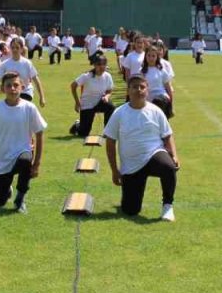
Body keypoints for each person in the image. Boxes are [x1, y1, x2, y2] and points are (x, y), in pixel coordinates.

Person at [104, 74, 179, 221]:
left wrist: (174, 155)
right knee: (130, 211)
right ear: (128, 91)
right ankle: (130, 196)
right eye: (134, 87)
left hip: (153, 154)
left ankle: (167, 206)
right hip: (131, 165)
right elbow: (110, 142)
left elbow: (167, 135)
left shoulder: (156, 111)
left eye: (142, 87)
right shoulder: (119, 113)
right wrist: (114, 170)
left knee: (168, 167)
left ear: (147, 90)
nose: (138, 90)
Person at [0, 73, 47, 213]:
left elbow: (40, 133)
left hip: (22, 152)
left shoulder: (29, 108)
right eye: (9, 85)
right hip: (2, 157)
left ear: (22, 87)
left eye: (16, 85)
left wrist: (36, 164)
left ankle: (20, 199)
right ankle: (7, 189)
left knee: (25, 160)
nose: (12, 88)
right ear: (2, 88)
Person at [70, 52, 115, 139]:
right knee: (83, 133)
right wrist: (77, 102)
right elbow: (73, 86)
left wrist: (106, 96)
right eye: (99, 64)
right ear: (94, 65)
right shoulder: (87, 76)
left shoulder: (107, 76)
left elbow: (109, 90)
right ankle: (77, 125)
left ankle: (107, 132)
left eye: (104, 64)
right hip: (87, 105)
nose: (101, 67)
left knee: (111, 106)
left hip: (100, 103)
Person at [0, 38, 46, 106]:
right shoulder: (5, 64)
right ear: (10, 48)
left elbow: (36, 80)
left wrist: (42, 97)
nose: (15, 50)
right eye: (13, 47)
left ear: (21, 49)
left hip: (26, 92)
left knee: (19, 106)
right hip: (12, 92)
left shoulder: (27, 63)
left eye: (17, 47)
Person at [140, 45, 175, 118]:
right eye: (149, 56)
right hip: (148, 100)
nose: (151, 58)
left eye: (153, 56)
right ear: (145, 57)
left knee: (158, 103)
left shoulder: (161, 71)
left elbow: (168, 88)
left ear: (157, 57)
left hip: (162, 99)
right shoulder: (142, 72)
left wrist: (171, 104)